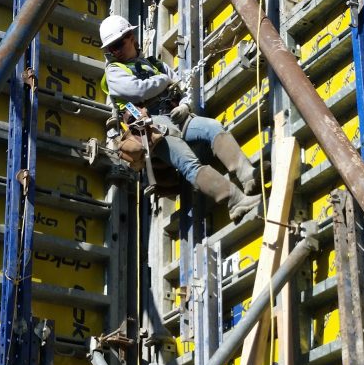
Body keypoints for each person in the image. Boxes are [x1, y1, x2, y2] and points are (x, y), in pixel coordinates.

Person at [99, 15, 262, 221]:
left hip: (176, 116)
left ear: (131, 37)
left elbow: (179, 86)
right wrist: (164, 80)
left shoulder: (155, 64)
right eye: (110, 49)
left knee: (212, 128)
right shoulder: (114, 72)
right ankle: (234, 201)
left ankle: (248, 175)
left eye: (118, 45)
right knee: (188, 163)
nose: (115, 52)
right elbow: (139, 90)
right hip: (153, 130)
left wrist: (185, 104)